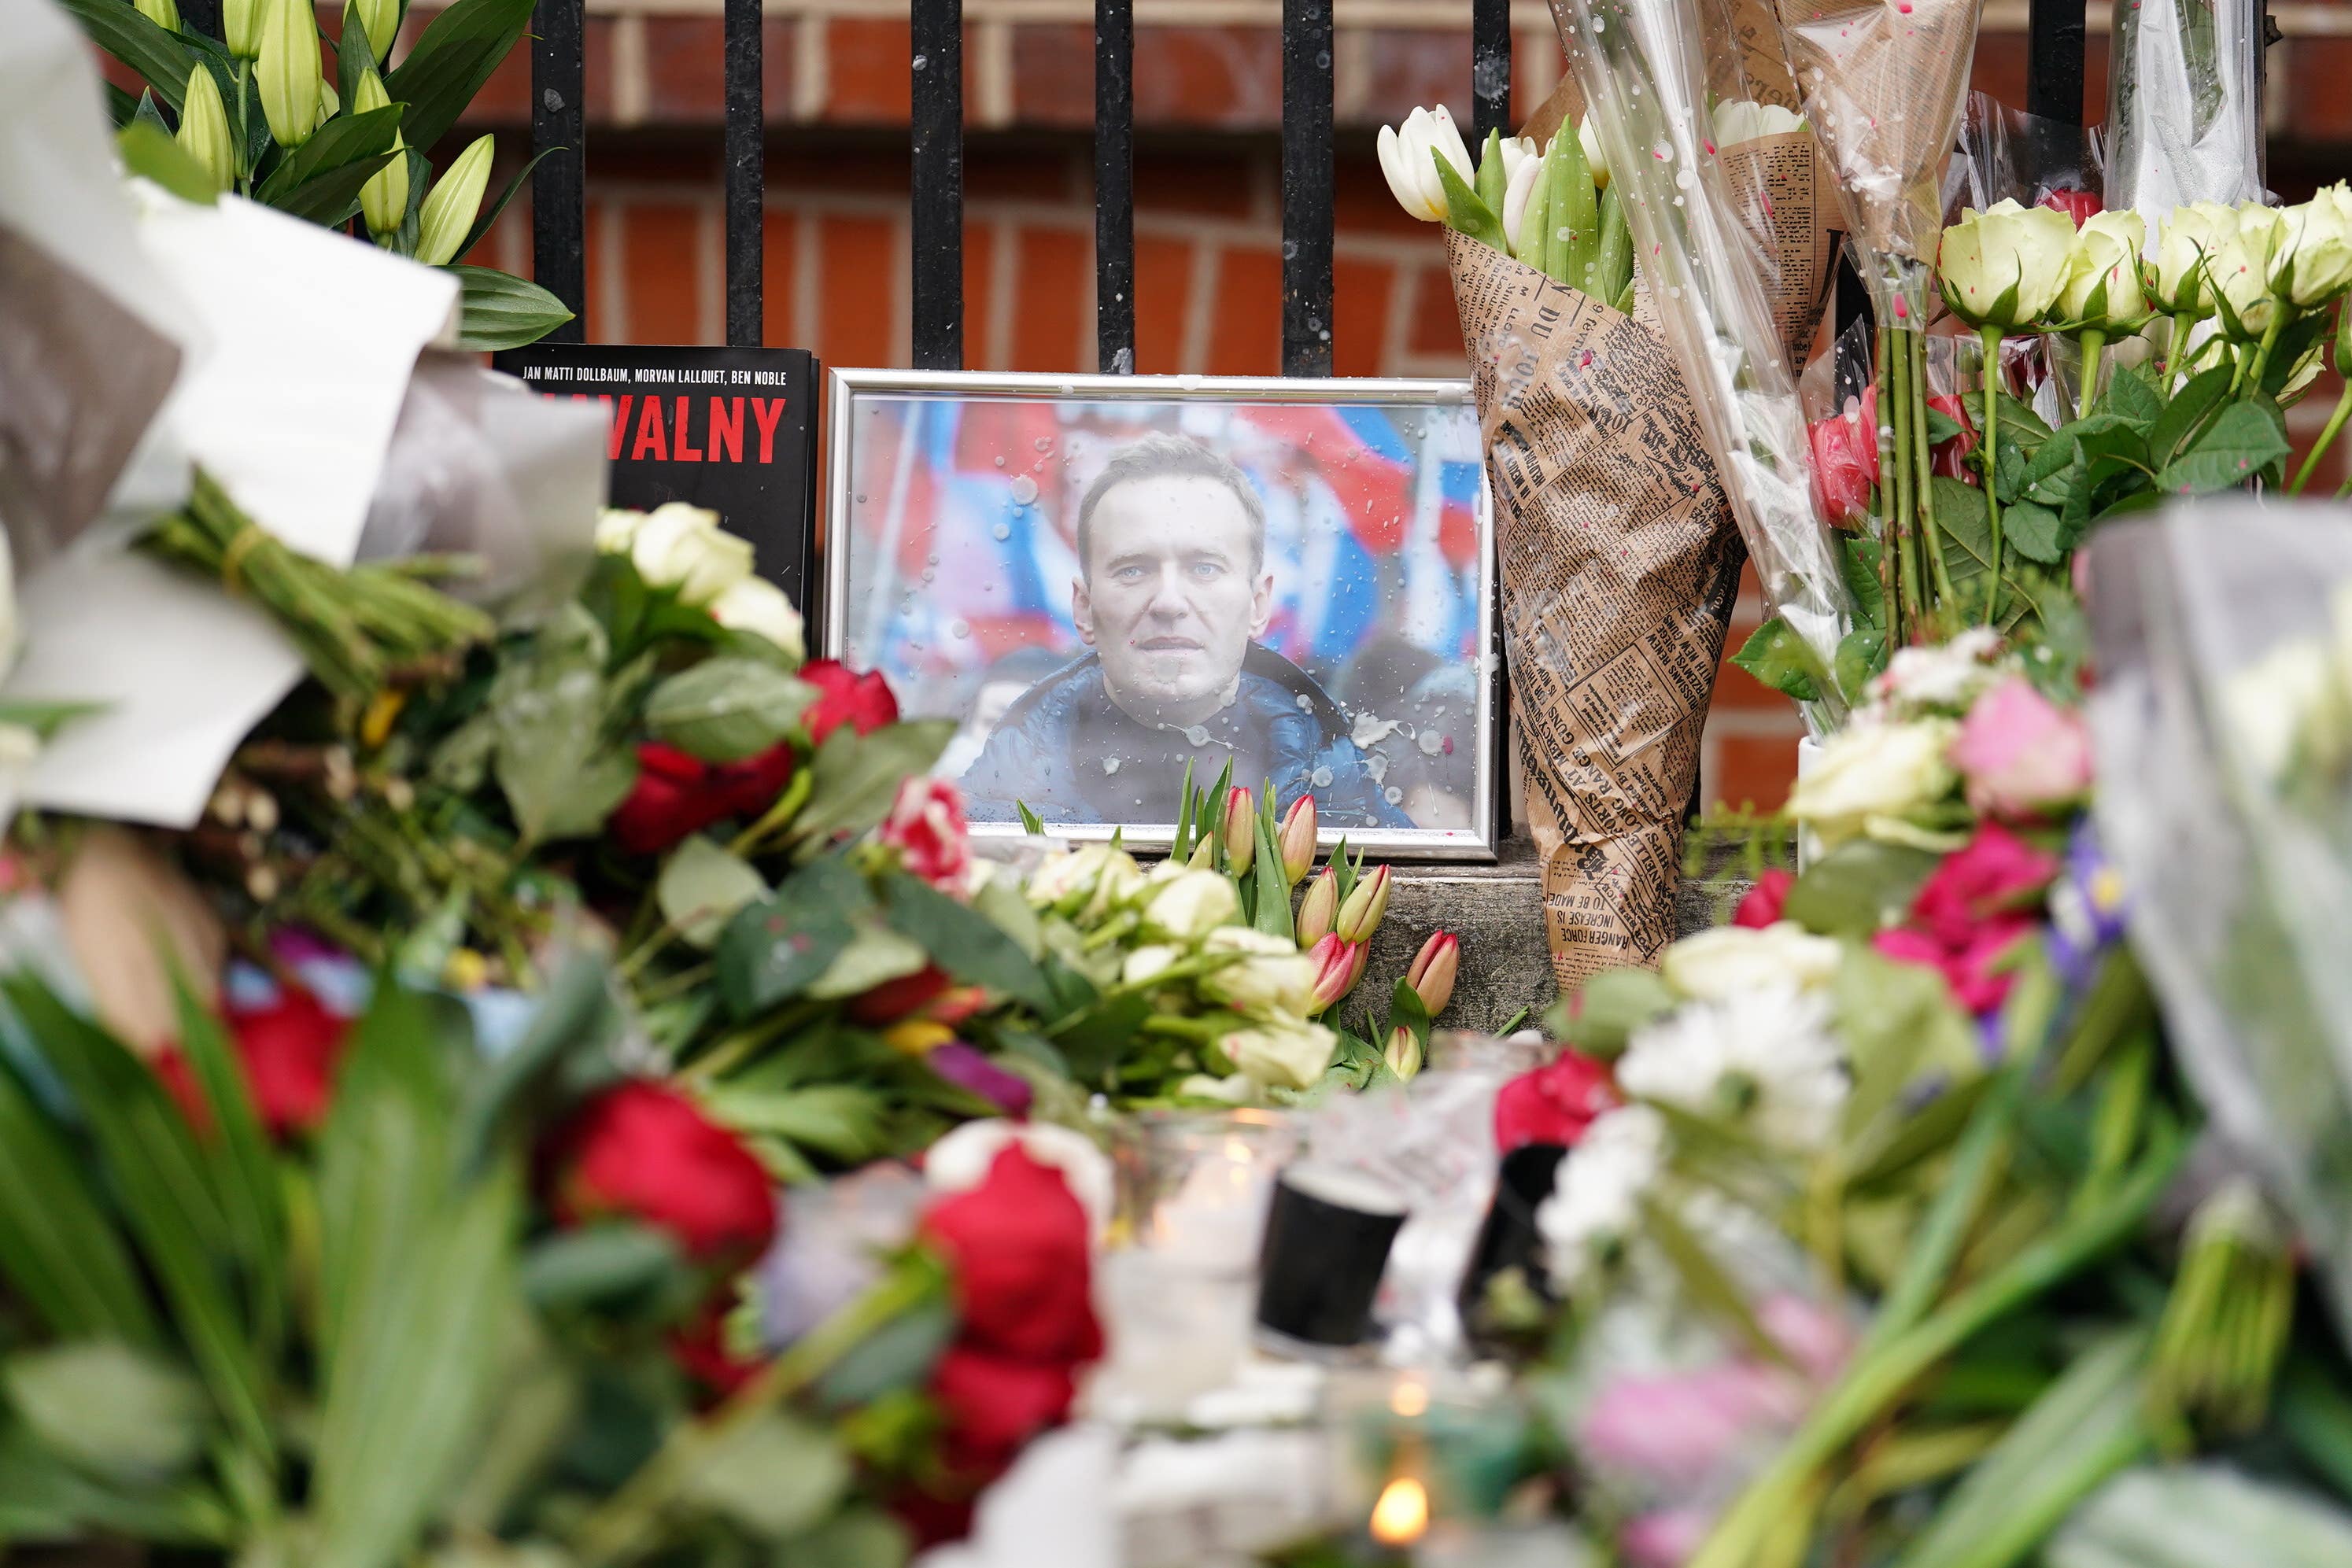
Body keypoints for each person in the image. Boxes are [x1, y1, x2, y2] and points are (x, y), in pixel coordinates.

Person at [959, 434, 1412, 829]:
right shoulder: (977, 819)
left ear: (1258, 605)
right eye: (1134, 570)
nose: (1169, 602)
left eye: (1205, 568)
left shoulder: (1352, 807)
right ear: (1083, 607)